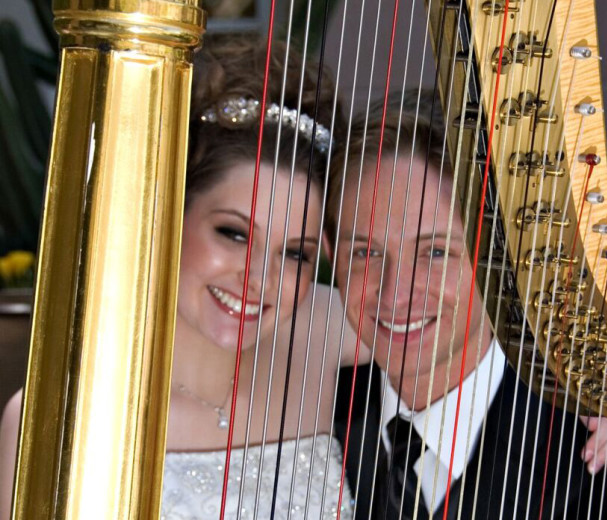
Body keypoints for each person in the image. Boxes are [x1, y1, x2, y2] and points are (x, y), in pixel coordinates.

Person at [0, 36, 360, 519]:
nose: (260, 280)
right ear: (169, 216)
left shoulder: (323, 331)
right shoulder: (57, 418)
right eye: (233, 233)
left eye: (296, 253)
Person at [326, 91, 607, 519]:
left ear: (501, 259)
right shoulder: (307, 413)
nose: (395, 294)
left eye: (436, 252)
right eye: (365, 253)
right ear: (332, 257)